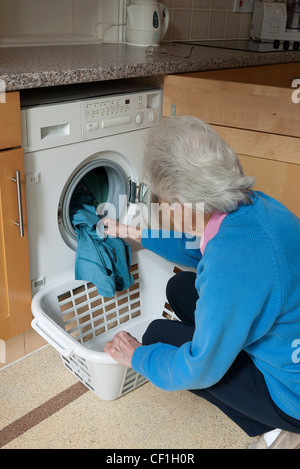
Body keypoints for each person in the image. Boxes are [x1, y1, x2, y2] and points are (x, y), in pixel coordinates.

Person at [104, 116, 300, 449]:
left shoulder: (230, 265)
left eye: (165, 203)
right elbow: (198, 245)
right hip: (286, 339)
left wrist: (137, 356)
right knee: (180, 289)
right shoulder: (256, 207)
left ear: (182, 204)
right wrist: (134, 233)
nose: (163, 208)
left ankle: (277, 428)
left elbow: (200, 368)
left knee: (157, 337)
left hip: (292, 393)